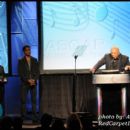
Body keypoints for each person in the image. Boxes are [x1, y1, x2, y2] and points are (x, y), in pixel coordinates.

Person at [90, 47, 130, 116]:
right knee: (107, 100)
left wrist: (128, 67)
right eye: (111, 53)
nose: (112, 54)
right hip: (107, 84)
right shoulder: (107, 56)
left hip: (119, 84)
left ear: (118, 52)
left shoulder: (125, 58)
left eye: (114, 53)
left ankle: (122, 117)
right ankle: (104, 117)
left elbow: (129, 66)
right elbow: (99, 63)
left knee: (119, 101)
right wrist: (94, 68)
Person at [18, 45, 39, 122]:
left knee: (34, 100)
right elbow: (20, 73)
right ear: (24, 51)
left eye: (29, 50)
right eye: (26, 50)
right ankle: (23, 117)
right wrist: (28, 80)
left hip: (33, 83)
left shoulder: (34, 60)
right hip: (25, 84)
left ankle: (35, 117)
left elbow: (37, 72)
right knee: (23, 101)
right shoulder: (21, 61)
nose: (28, 51)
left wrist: (34, 80)